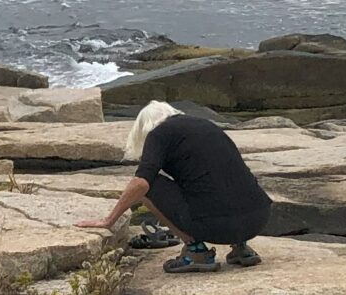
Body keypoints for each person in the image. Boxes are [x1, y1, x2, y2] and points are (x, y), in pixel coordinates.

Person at [77, 100, 274, 273]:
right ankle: (241, 248)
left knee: (149, 187)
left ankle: (196, 252)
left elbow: (141, 183)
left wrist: (108, 220)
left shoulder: (159, 133)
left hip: (216, 226)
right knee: (220, 177)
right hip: (258, 218)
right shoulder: (206, 125)